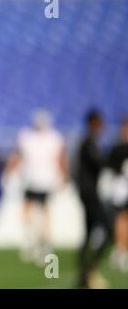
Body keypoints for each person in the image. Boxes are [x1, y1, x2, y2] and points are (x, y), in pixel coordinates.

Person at [4, 110, 67, 265]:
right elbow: (18, 156)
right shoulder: (28, 137)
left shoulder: (53, 138)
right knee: (31, 211)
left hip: (45, 181)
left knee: (43, 213)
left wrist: (64, 176)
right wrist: (9, 170)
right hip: (31, 180)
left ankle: (42, 242)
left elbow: (60, 159)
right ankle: (32, 241)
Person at [75, 109, 110, 288]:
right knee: (107, 229)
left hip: (87, 193)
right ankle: (90, 270)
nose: (102, 126)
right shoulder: (88, 143)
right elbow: (99, 164)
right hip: (90, 195)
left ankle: (83, 275)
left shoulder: (88, 142)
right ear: (93, 123)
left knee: (88, 233)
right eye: (99, 122)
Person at [105, 118, 128, 273]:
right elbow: (109, 167)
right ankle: (121, 249)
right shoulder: (119, 148)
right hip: (123, 189)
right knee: (122, 217)